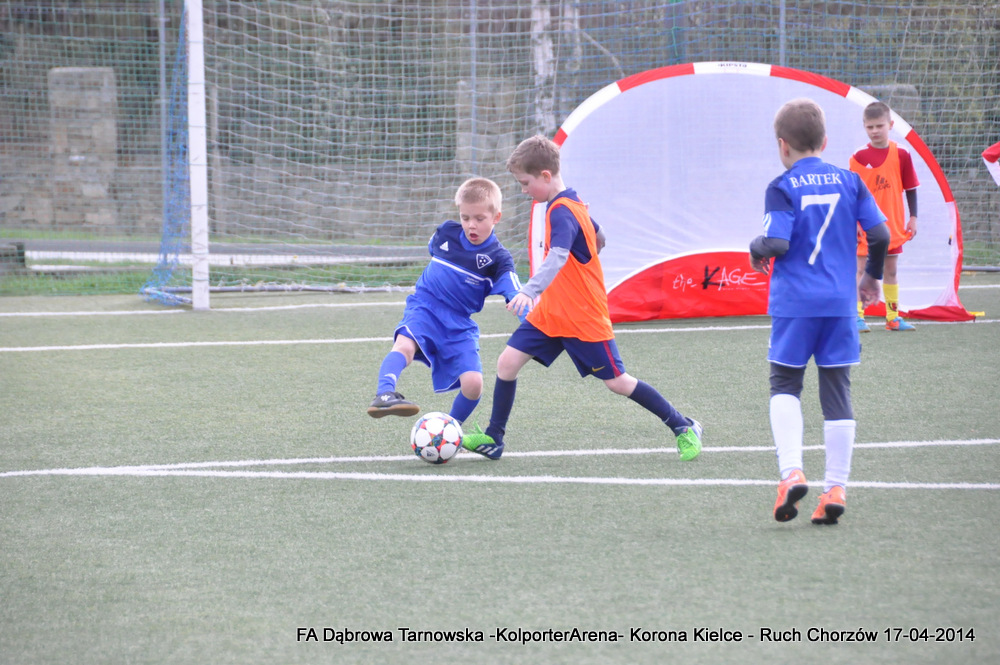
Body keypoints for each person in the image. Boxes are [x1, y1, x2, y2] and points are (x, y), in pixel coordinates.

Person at [461, 135, 703, 461]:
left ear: (546, 175)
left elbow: (559, 255)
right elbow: (599, 237)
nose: (524, 190)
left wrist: (530, 290)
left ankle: (683, 426)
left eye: (526, 183)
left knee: (618, 382)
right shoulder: (573, 203)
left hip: (582, 316)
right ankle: (494, 438)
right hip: (552, 313)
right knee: (507, 363)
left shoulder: (561, 211)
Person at [749, 98, 889, 525]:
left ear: (782, 145)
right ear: (825, 141)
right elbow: (881, 235)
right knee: (837, 391)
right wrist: (871, 277)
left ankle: (791, 472)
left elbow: (778, 243)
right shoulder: (851, 180)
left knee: (784, 384)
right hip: (840, 305)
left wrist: (755, 247)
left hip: (796, 304)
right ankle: (835, 488)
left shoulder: (781, 186)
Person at [367, 177, 522, 423]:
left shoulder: (499, 258)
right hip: (425, 306)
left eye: (479, 219)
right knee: (405, 346)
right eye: (465, 217)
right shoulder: (446, 232)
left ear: (496, 217)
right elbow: (433, 249)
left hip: (459, 323)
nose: (471, 225)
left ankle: (450, 429)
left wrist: (527, 314)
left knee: (474, 384)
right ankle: (384, 394)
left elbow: (515, 292)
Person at [850, 101, 919, 332]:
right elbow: (852, 194)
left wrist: (913, 217)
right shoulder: (858, 156)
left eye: (879, 126)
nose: (875, 131)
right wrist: (854, 221)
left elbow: (910, 187)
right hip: (866, 226)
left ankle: (892, 317)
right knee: (862, 270)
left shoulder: (902, 154)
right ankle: (857, 316)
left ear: (890, 124)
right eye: (869, 127)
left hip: (893, 225)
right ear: (864, 127)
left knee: (891, 270)